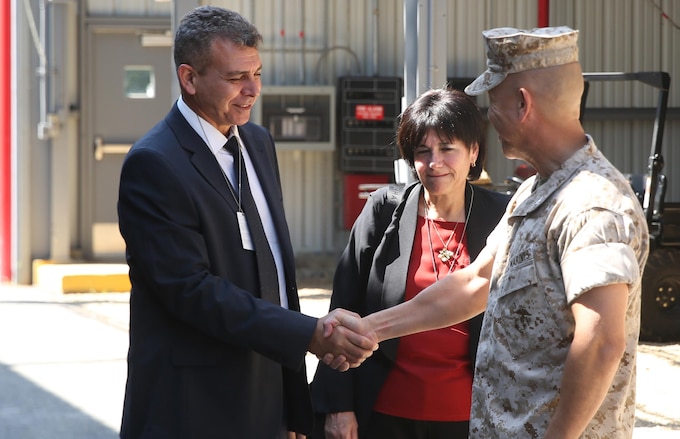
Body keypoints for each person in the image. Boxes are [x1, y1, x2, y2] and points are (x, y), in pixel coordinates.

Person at [325, 26, 650, 438]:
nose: (489, 118)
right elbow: (475, 282)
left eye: (492, 103)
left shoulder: (592, 205)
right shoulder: (537, 190)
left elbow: (601, 343)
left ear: (521, 103)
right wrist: (372, 329)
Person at [117, 6, 376, 438]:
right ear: (189, 78)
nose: (253, 89)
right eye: (236, 78)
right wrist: (308, 334)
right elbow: (190, 290)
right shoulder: (154, 165)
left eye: (257, 73)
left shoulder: (256, 142)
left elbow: (273, 272)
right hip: (192, 407)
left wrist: (293, 408)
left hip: (266, 399)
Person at [310, 88, 511, 439]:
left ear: (473, 152)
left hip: (472, 418)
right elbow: (344, 306)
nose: (434, 163)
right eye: (423, 151)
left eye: (448, 148)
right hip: (383, 414)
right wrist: (338, 406)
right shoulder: (383, 210)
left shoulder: (503, 217)